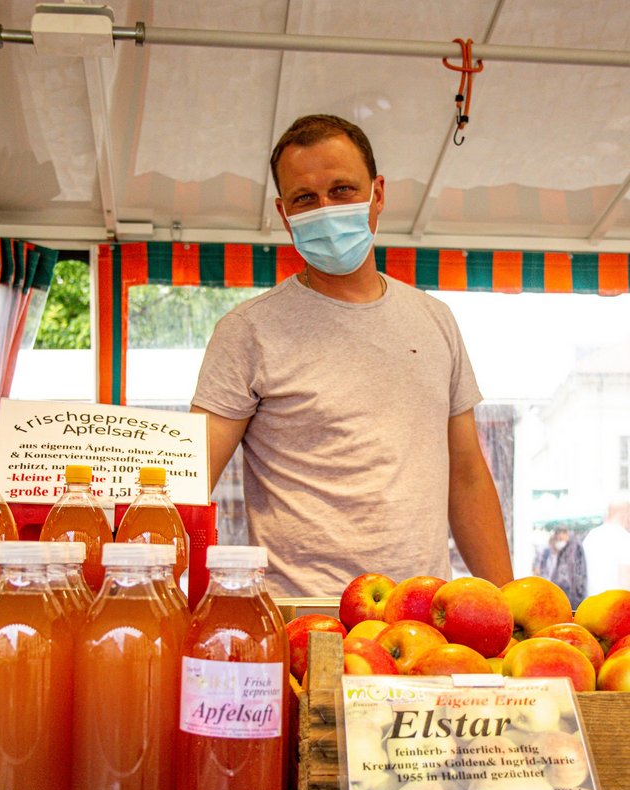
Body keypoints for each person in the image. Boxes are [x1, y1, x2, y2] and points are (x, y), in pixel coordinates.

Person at [191, 114, 513, 597]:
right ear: (284, 213)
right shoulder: (248, 331)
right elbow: (188, 479)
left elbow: (467, 477)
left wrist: (507, 606)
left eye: (342, 190)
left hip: (423, 618)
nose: (325, 209)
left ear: (377, 194)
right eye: (305, 198)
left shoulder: (435, 320)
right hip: (300, 616)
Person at [582, 498, 630, 595]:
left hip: (589, 603)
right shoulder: (624, 538)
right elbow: (626, 580)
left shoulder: (591, 535)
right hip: (615, 604)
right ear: (625, 514)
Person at [535, 526, 587, 609]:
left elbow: (579, 573)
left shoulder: (575, 547)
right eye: (558, 538)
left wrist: (579, 593)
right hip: (562, 591)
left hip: (573, 594)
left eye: (560, 538)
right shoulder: (563, 548)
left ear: (565, 534)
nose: (559, 540)